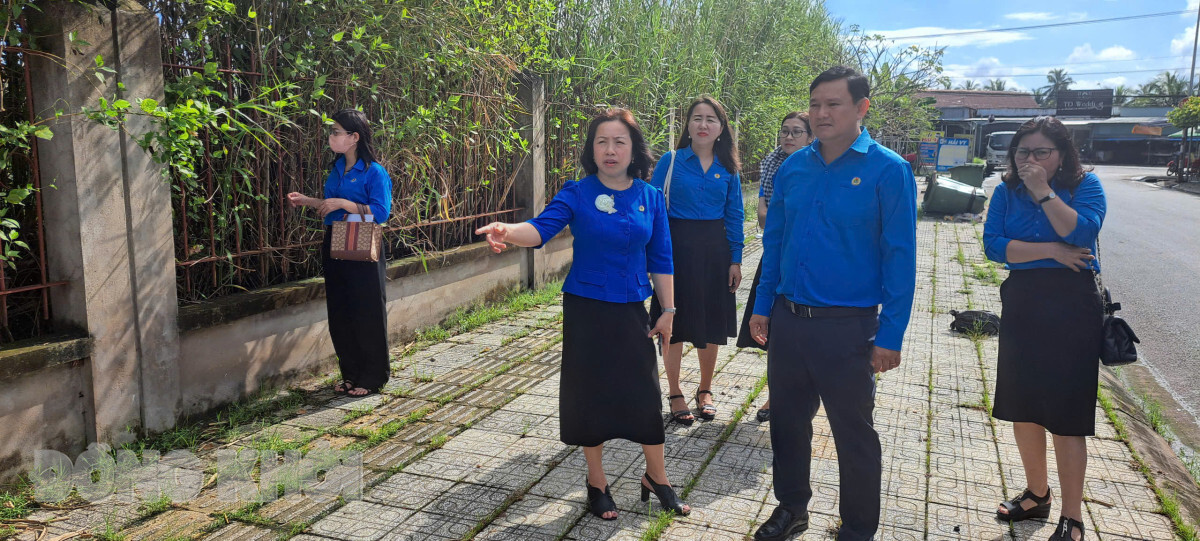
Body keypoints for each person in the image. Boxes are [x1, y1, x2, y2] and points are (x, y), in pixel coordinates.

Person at [475, 108, 690, 520]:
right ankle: (596, 481)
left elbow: (661, 257)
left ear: (633, 149)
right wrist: (507, 230)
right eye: (602, 142)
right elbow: (539, 229)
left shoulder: (649, 197)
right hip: (586, 311)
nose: (610, 150)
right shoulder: (577, 192)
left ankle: (657, 476)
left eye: (619, 142)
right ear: (592, 150)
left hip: (632, 310)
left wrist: (669, 311)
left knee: (644, 394)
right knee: (588, 394)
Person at [748, 66, 917, 541]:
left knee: (854, 433)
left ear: (862, 108)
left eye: (833, 104)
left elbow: (900, 258)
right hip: (790, 320)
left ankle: (859, 527)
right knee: (786, 424)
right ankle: (791, 509)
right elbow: (775, 241)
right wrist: (763, 306)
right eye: (815, 104)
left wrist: (891, 334)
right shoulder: (794, 167)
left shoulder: (888, 170)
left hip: (849, 328)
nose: (821, 113)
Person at [984, 116, 1105, 541]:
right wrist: (1053, 250)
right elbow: (994, 246)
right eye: (1023, 152)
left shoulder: (1085, 187)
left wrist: (1044, 193)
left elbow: (1084, 232)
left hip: (1072, 308)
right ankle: (1037, 494)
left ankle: (1072, 518)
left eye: (1041, 152)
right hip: (1023, 304)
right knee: (1023, 405)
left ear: (1061, 155)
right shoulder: (1004, 191)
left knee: (1068, 416)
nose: (1030, 160)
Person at [649, 96, 744, 425]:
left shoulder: (728, 168)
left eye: (711, 120)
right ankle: (674, 391)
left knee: (710, 324)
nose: (703, 125)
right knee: (672, 323)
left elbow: (734, 214)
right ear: (687, 125)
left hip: (715, 252)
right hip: (675, 250)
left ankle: (705, 389)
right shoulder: (671, 160)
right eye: (697, 118)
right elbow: (652, 207)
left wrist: (736, 259)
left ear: (721, 128)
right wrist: (651, 257)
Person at [288, 109, 393, 397]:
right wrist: (307, 201)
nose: (331, 137)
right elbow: (330, 204)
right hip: (334, 241)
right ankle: (350, 373)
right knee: (341, 310)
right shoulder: (337, 168)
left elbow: (382, 211)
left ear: (354, 137)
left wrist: (345, 205)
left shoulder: (374, 171)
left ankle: (373, 377)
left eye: (336, 133)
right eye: (332, 132)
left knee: (367, 309)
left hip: (362, 242)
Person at [736, 111, 813, 423]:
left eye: (797, 132)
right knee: (775, 332)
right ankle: (776, 394)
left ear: (811, 137)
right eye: (785, 131)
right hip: (775, 257)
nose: (789, 137)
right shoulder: (772, 163)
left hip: (806, 262)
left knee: (804, 335)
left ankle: (801, 395)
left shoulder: (818, 168)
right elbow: (764, 215)